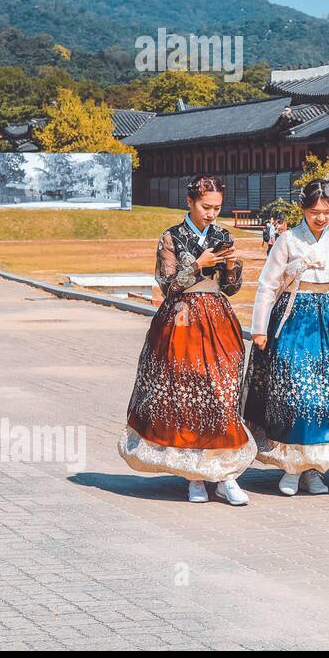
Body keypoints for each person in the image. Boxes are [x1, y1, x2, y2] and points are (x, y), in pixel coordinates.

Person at [118, 176, 254, 505]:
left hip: (218, 318)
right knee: (188, 396)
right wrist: (198, 264)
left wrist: (233, 266)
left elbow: (231, 287)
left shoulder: (222, 235)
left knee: (223, 394)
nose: (211, 214)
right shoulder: (171, 237)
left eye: (217, 208)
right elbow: (167, 284)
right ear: (190, 202)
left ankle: (224, 474)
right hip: (181, 318)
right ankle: (194, 475)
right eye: (206, 207)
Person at [246, 174, 329, 496]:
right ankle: (291, 467)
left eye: (327, 212)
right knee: (296, 391)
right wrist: (259, 328)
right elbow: (267, 284)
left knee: (327, 395)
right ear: (303, 209)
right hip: (294, 317)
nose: (321, 218)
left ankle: (315, 469)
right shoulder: (287, 240)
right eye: (315, 211)